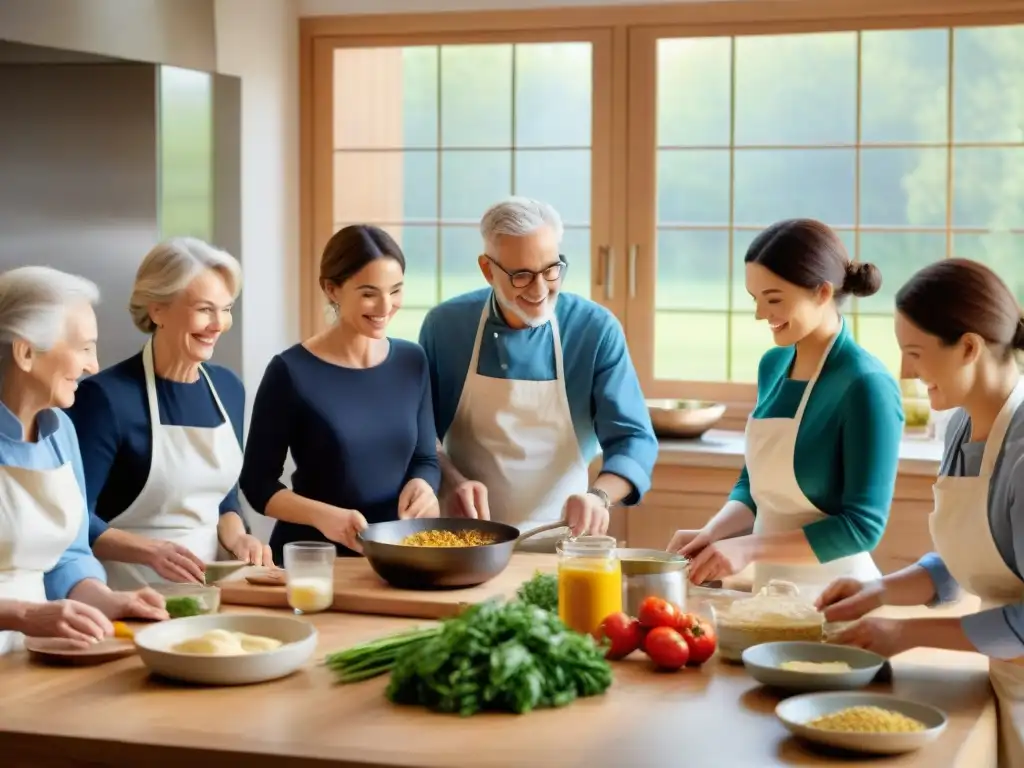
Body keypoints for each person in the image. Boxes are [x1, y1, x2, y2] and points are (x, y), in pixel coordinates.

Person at [817, 259, 1024, 766]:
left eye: (914, 353)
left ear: (970, 347)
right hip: (1006, 679)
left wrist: (905, 633)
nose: (906, 371)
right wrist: (881, 591)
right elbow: (975, 557)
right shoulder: (962, 427)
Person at [667, 218, 904, 600]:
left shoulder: (866, 385)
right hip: (771, 594)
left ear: (822, 292)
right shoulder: (773, 366)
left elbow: (862, 526)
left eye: (774, 299)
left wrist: (747, 548)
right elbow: (755, 484)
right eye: (755, 298)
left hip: (841, 599)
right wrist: (714, 533)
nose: (761, 314)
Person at [418, 197, 657, 551]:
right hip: (462, 541)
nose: (540, 289)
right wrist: (450, 481)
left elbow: (634, 440)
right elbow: (419, 434)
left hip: (563, 542)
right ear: (488, 270)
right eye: (521, 275)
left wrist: (599, 497)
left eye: (551, 269)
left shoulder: (593, 330)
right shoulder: (446, 326)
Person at [66, 238, 269, 590]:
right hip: (127, 598)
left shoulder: (227, 388)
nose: (218, 323)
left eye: (226, 308)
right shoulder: (105, 398)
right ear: (157, 310)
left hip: (211, 595)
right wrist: (149, 552)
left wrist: (237, 538)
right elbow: (71, 517)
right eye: (205, 309)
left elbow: (223, 495)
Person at [240, 225, 440, 563]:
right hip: (312, 561)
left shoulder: (412, 361)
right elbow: (257, 485)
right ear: (332, 289)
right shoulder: (290, 372)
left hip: (396, 556)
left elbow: (425, 460)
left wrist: (424, 486)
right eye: (368, 293)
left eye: (395, 290)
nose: (385, 305)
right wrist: (324, 516)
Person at [0, 266, 167, 655]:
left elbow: (68, 557)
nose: (93, 366)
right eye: (84, 348)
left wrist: (107, 600)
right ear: (25, 353)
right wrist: (22, 614)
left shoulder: (61, 432)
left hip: (30, 655)